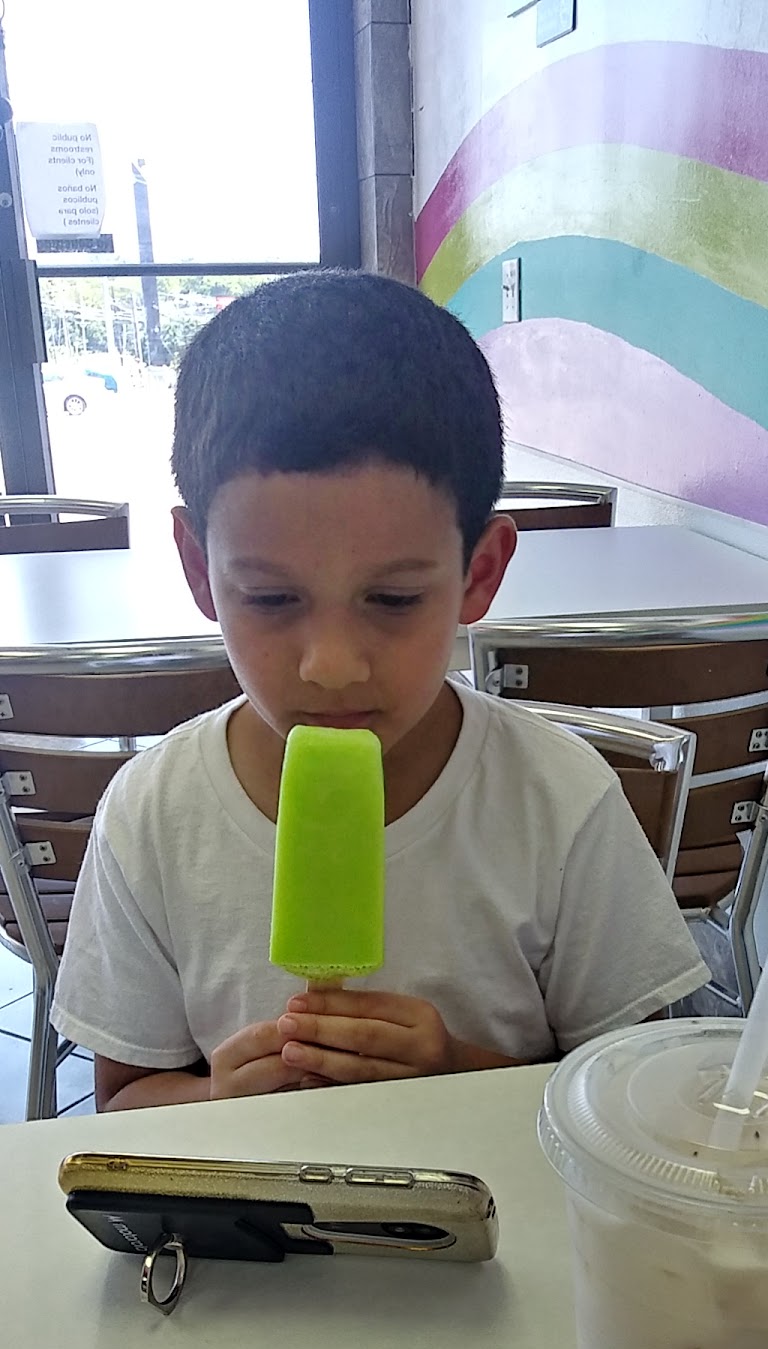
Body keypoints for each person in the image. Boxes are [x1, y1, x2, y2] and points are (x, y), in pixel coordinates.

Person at [52, 270, 708, 1111]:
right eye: (271, 598)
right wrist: (220, 1100)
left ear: (479, 574)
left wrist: (453, 1075)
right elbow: (123, 1097)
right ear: (198, 568)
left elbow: (633, 1095)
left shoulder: (560, 801)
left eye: (393, 600)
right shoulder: (151, 814)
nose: (331, 666)